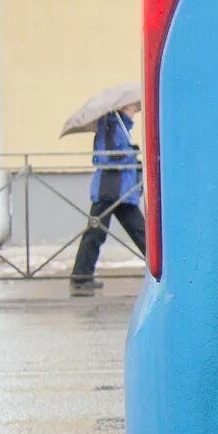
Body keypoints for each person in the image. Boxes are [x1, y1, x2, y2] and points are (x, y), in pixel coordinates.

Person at [70, 107, 144, 297]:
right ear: (122, 108)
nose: (135, 111)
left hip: (122, 191)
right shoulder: (110, 126)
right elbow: (106, 156)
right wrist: (130, 153)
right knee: (95, 234)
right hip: (110, 189)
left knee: (141, 231)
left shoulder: (120, 126)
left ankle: (159, 269)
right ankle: (81, 276)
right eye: (133, 108)